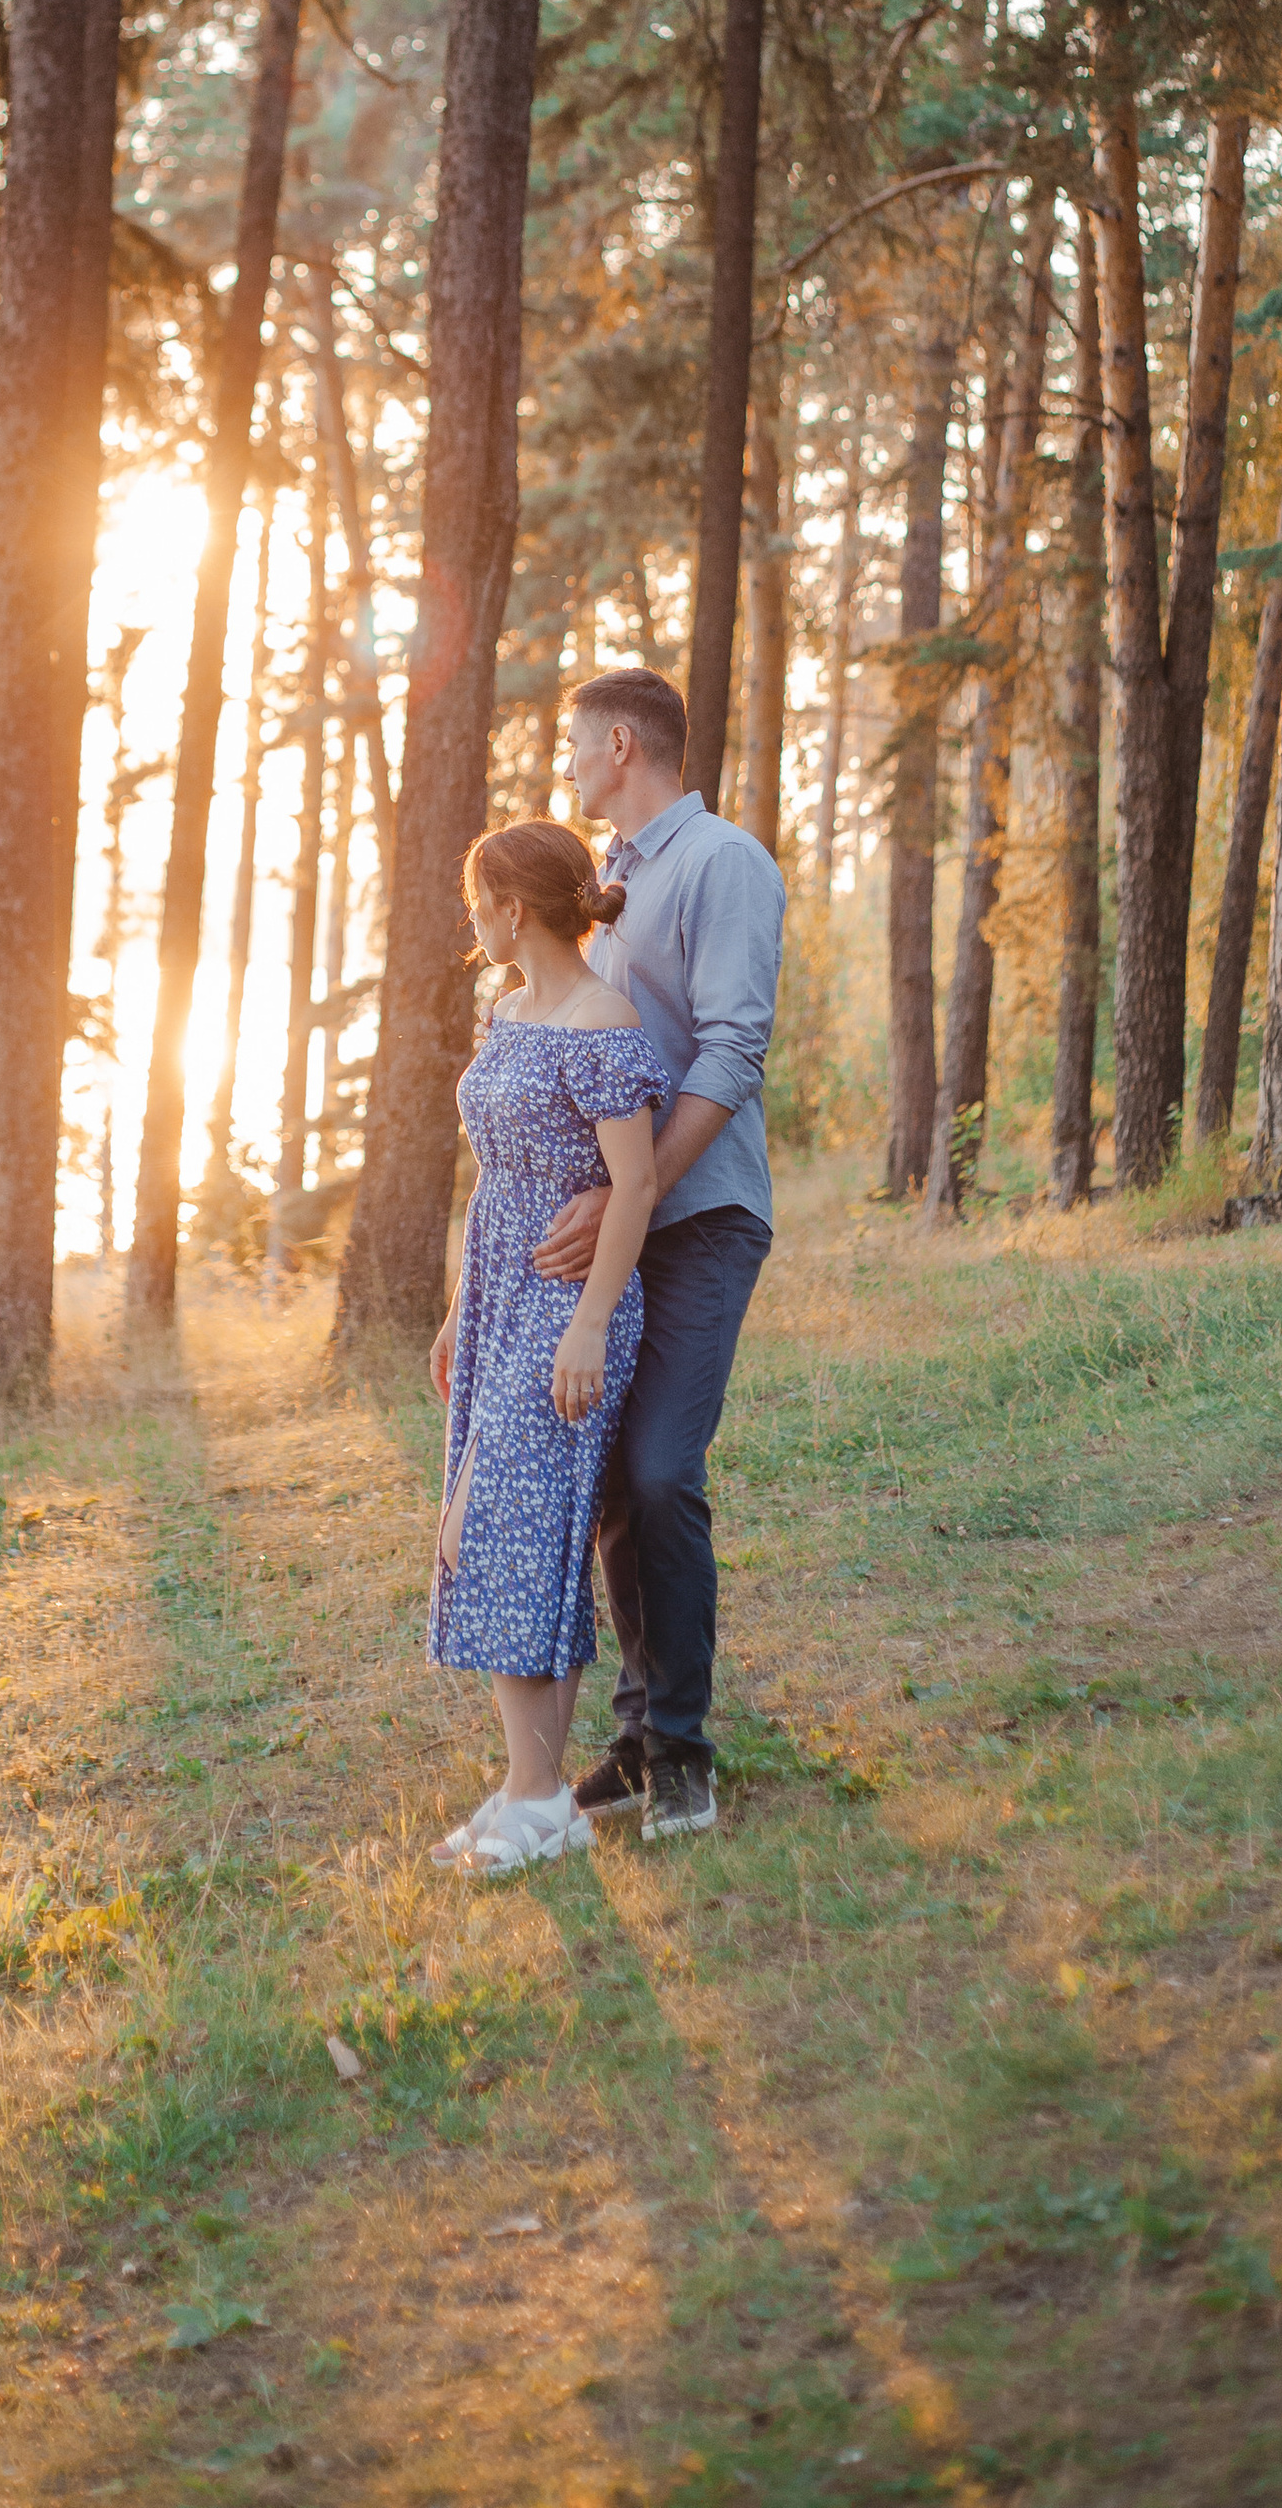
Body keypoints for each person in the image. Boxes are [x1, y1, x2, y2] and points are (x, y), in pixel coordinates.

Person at [536, 664, 784, 1845]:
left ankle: (681, 1748)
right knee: (609, 1492)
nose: (566, 762)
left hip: (701, 1218)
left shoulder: (721, 864)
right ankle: (637, 1742)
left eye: (574, 743)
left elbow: (732, 1052)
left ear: (623, 745)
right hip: (617, 1228)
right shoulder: (607, 887)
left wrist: (636, 1193)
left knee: (661, 1470)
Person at [425, 818, 669, 1881]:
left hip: (570, 1305)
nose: (470, 917)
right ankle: (537, 1791)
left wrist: (586, 1325)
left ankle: (534, 1798)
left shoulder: (601, 1020)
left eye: (476, 898)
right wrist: (453, 1308)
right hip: (495, 1301)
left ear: (511, 908)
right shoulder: (510, 1010)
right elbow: (497, 1174)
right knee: (527, 1535)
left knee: (497, 1528)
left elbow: (638, 1186)